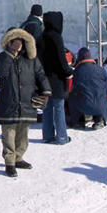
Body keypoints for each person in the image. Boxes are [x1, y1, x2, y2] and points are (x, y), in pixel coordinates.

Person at [0, 28, 51, 177]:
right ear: (8, 43)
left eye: (21, 42)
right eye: (14, 41)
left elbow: (41, 75)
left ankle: (18, 157)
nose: (18, 45)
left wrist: (46, 92)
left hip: (26, 101)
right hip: (8, 102)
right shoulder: (1, 58)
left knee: (23, 135)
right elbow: (0, 71)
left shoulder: (31, 60)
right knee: (9, 134)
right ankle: (9, 162)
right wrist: (9, 54)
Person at [39, 12, 73, 144]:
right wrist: (68, 72)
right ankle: (62, 136)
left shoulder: (42, 36)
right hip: (56, 78)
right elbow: (61, 59)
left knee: (47, 107)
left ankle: (47, 135)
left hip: (44, 78)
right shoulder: (56, 37)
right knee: (59, 107)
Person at [67, 47, 107, 130]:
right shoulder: (100, 69)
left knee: (72, 97)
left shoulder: (77, 71)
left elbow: (73, 88)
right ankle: (99, 119)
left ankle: (79, 121)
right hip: (101, 105)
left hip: (84, 105)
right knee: (99, 96)